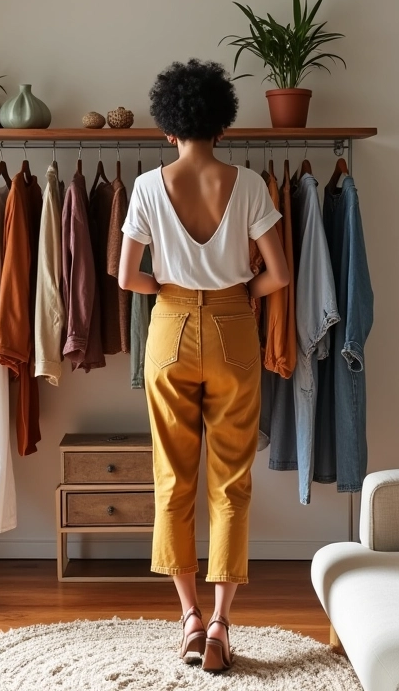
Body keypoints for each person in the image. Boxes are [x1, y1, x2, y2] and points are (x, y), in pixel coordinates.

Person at [119, 59, 290, 672]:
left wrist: (169, 284)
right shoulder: (247, 184)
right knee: (231, 479)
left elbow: (126, 276)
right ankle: (221, 624)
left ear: (169, 127)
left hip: (168, 328)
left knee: (174, 476)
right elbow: (281, 273)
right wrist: (241, 292)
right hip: (233, 329)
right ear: (222, 123)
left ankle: (188, 617)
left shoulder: (145, 186)